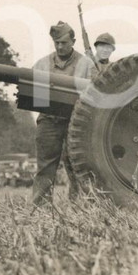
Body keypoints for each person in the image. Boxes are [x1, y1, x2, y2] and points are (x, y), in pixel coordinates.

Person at [31, 21, 95, 206]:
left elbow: (96, 92)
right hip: (49, 122)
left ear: (73, 41)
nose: (60, 46)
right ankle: (39, 208)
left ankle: (81, 206)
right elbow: (32, 91)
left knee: (78, 165)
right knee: (45, 167)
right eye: (56, 42)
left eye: (64, 43)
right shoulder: (42, 64)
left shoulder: (86, 64)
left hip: (75, 123)